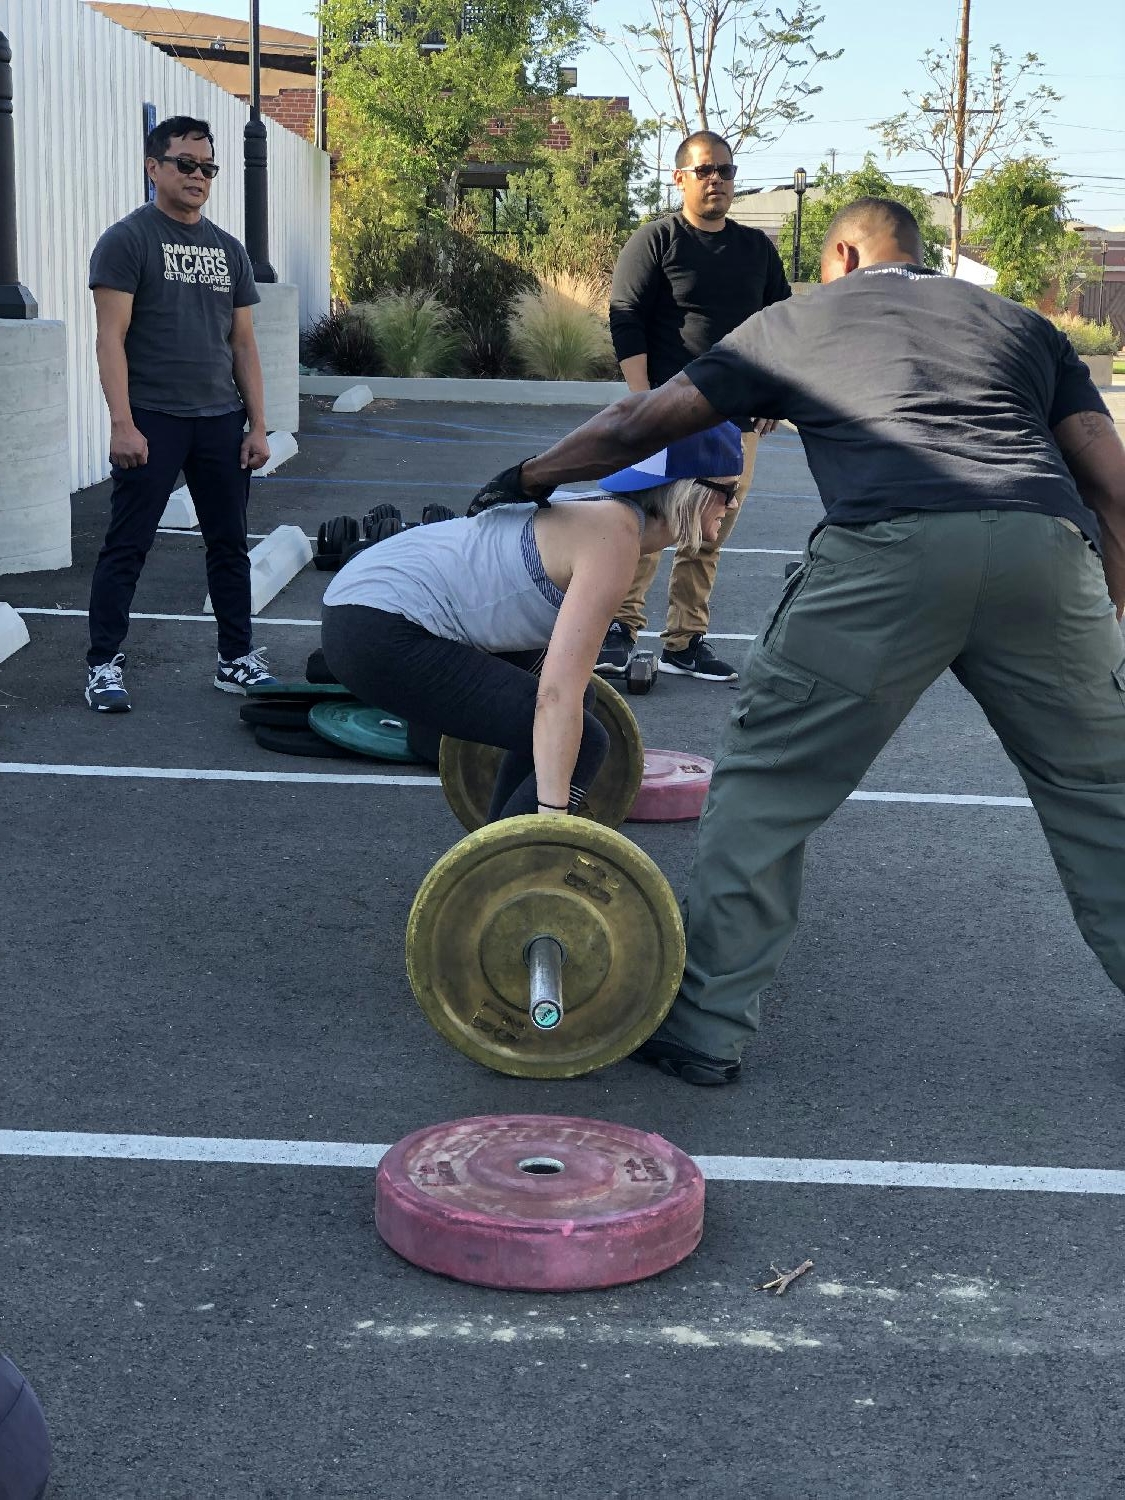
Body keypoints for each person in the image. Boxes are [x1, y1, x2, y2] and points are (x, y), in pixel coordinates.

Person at [468, 196, 1125, 1085]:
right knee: (1102, 798)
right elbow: (1112, 486)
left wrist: (526, 476)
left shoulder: (800, 317)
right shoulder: (1020, 324)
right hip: (1046, 554)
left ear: (843, 257)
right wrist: (1103, 623)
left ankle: (702, 1025)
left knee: (768, 790)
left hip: (888, 555)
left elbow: (640, 425)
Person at [320, 427, 743, 820]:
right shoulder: (613, 539)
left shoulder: (610, 519)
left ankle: (497, 850)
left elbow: (563, 688)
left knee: (582, 710)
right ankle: (505, 875)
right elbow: (554, 698)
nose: (735, 504)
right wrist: (552, 820)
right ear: (688, 491)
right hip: (378, 624)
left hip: (370, 605)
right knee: (585, 743)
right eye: (729, 492)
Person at [84, 115, 277, 712]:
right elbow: (109, 338)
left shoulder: (228, 249)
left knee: (229, 545)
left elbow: (243, 342)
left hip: (220, 421)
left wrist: (258, 425)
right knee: (128, 544)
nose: (198, 177)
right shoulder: (128, 240)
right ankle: (103, 666)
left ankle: (235, 659)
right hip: (153, 419)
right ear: (154, 168)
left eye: (208, 168)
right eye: (185, 165)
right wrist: (122, 421)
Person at [599, 129, 791, 684]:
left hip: (735, 418)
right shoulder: (656, 240)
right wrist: (644, 403)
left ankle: (685, 641)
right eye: (705, 171)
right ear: (679, 177)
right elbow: (625, 316)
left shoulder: (756, 248)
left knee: (710, 530)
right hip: (666, 411)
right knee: (646, 522)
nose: (716, 181)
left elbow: (781, 326)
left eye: (725, 172)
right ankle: (619, 629)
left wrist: (773, 393)